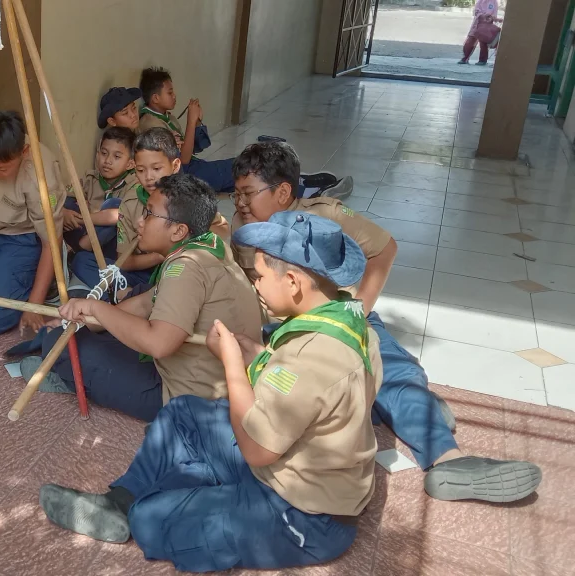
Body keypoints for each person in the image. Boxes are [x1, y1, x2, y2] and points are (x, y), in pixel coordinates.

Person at [39, 212, 381, 573]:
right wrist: (259, 357)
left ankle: (153, 505)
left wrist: (233, 364)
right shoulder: (350, 324)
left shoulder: (313, 357)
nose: (256, 285)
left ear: (293, 282)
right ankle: (121, 500)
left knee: (149, 520)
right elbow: (315, 397)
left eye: (260, 276)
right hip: (287, 459)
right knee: (182, 412)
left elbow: (257, 448)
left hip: (302, 513)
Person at [232, 142, 542, 503]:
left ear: (283, 192)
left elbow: (384, 248)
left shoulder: (324, 218)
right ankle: (408, 407)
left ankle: (449, 460)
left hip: (335, 319)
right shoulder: (242, 225)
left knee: (390, 371)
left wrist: (359, 311)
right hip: (282, 329)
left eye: (247, 193)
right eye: (236, 194)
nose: (240, 202)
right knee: (317, 385)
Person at [21, 174, 261, 421]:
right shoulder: (209, 246)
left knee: (61, 346)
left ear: (179, 230)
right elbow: (147, 302)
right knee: (90, 330)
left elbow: (159, 344)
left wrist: (95, 308)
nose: (140, 221)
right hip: (215, 379)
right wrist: (88, 321)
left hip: (186, 397)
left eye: (149, 214)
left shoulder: (186, 268)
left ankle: (71, 380)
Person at [0, 109, 66, 335]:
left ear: (23, 151)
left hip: (18, 238)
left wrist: (34, 305)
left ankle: (42, 280)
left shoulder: (40, 177)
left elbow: (51, 242)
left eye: (2, 168)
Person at [116, 128, 229, 287]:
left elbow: (223, 229)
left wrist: (179, 246)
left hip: (185, 269)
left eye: (156, 169)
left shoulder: (189, 194)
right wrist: (162, 255)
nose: (148, 177)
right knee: (105, 272)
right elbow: (124, 261)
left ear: (175, 165)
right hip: (146, 271)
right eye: (140, 170)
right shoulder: (130, 202)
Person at [138, 67, 235, 193]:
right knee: (241, 169)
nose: (174, 96)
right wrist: (191, 122)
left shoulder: (168, 118)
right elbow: (183, 160)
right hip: (183, 176)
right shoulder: (151, 124)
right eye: (170, 93)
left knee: (238, 167)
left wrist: (197, 122)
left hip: (192, 167)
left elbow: (192, 148)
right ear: (155, 98)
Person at [65, 127, 137, 290]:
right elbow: (66, 200)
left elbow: (121, 215)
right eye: (104, 153)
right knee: (67, 204)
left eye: (116, 156)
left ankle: (78, 250)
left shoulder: (134, 185)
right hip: (84, 234)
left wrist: (84, 218)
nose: (107, 161)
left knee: (115, 206)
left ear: (130, 163)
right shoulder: (90, 179)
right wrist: (66, 212)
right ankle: (77, 252)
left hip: (112, 246)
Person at [459, 0, 501, 66]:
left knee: (483, 43)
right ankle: (465, 58)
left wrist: (492, 18)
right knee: (470, 41)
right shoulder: (480, 1)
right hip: (477, 24)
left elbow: (494, 15)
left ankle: (482, 60)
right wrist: (483, 15)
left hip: (487, 25)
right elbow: (476, 11)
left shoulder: (494, 2)